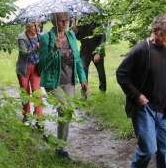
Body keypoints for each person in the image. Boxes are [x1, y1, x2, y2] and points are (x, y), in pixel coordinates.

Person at [116, 14, 166, 168]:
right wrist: (137, 96)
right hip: (144, 108)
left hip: (164, 110)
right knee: (148, 148)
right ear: (156, 31)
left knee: (164, 150)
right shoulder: (141, 50)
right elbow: (121, 74)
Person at [38, 12, 89, 159]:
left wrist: (83, 79)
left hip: (69, 80)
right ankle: (61, 148)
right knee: (64, 107)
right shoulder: (46, 38)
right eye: (61, 21)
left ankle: (61, 148)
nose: (65, 23)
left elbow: (77, 60)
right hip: (53, 82)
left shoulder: (71, 36)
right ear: (54, 21)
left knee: (67, 112)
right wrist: (53, 49)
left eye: (67, 21)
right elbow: (42, 65)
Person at [16, 22, 43, 125]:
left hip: (36, 69)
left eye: (38, 25)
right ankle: (26, 116)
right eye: (34, 26)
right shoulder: (21, 37)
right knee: (25, 92)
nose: (37, 28)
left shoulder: (40, 36)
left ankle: (39, 118)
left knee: (37, 92)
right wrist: (35, 49)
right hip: (24, 69)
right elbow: (23, 54)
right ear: (27, 27)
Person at [75, 20, 109, 93]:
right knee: (83, 72)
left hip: (96, 51)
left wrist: (99, 52)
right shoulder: (80, 22)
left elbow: (103, 37)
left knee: (101, 72)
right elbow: (79, 37)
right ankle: (84, 92)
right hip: (84, 52)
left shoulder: (97, 20)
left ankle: (102, 91)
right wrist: (76, 32)